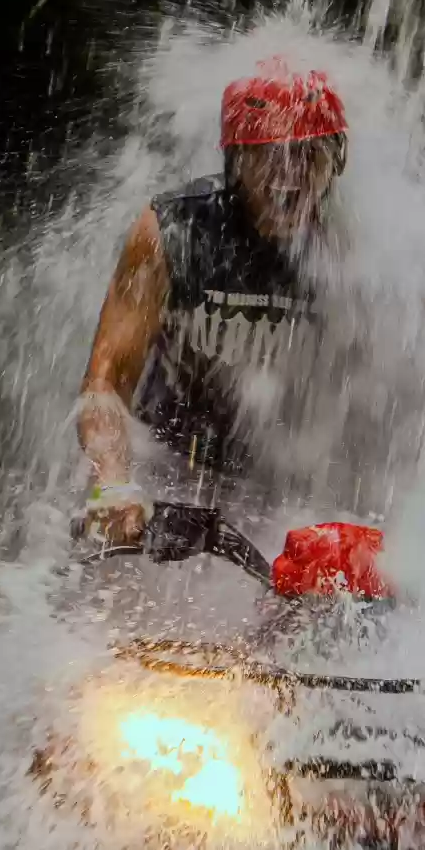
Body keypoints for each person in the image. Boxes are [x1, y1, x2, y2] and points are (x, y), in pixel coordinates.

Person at [76, 57, 349, 543]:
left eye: (308, 154)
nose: (289, 176)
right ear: (235, 160)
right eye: (269, 154)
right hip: (162, 469)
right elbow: (108, 376)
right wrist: (112, 482)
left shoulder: (359, 254)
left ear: (336, 161)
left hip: (275, 490)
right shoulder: (173, 232)